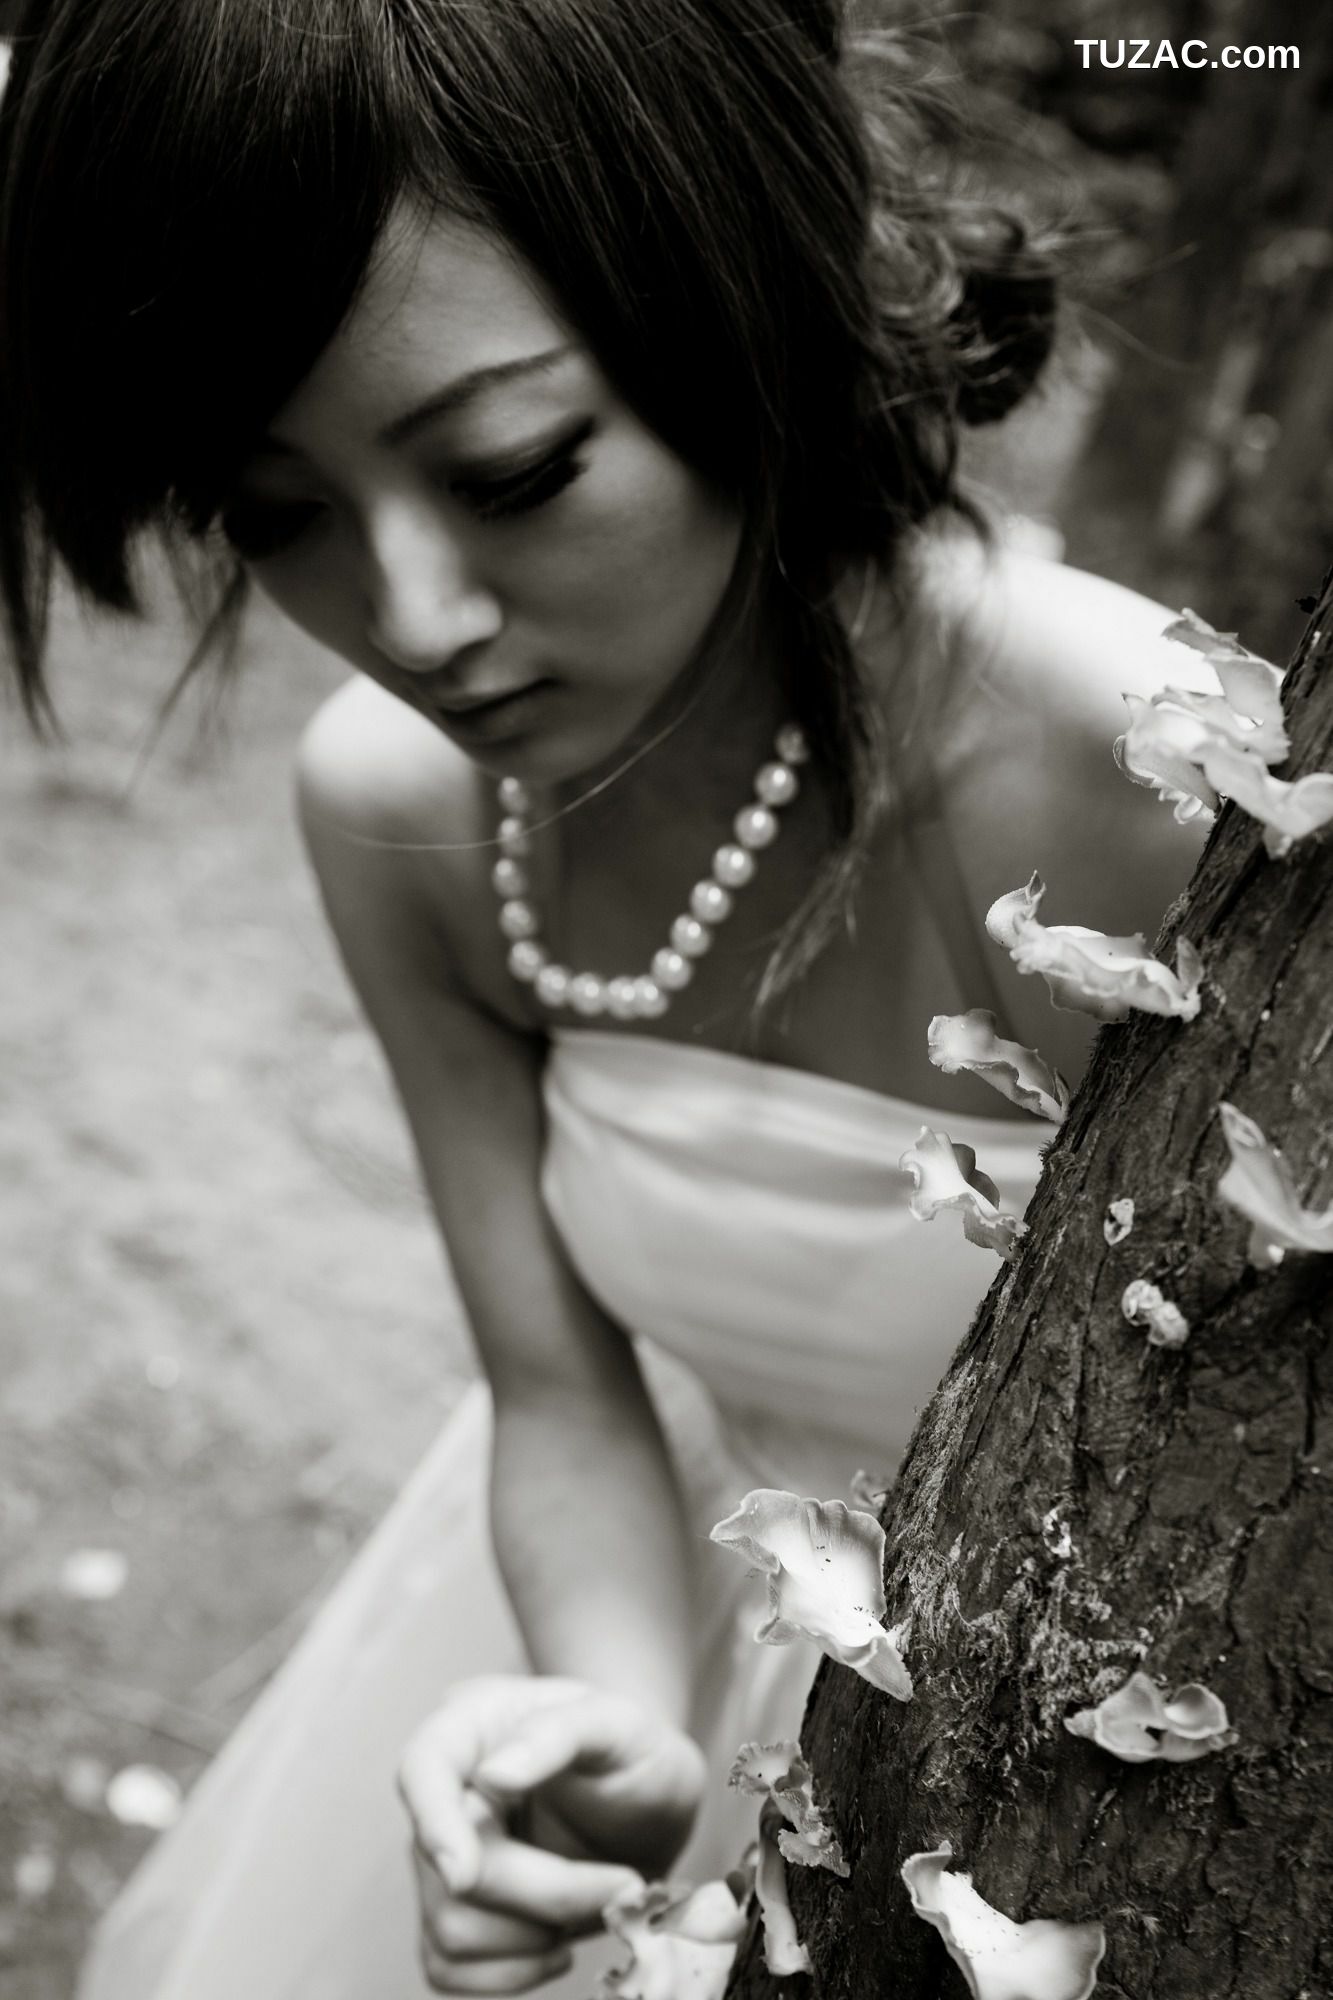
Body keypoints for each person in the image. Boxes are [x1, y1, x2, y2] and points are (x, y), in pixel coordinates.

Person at [0, 2, 1210, 1994]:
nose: (411, 620)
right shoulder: (399, 811)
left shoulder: (1145, 782)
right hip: (658, 1603)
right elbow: (557, 1384)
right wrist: (617, 1721)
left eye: (513, 468)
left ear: (746, 299)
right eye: (274, 512)